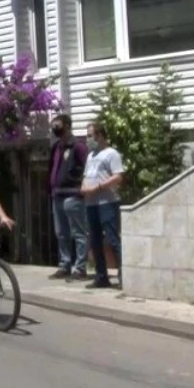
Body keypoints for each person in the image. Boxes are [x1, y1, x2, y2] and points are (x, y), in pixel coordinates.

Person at [80, 122, 125, 289]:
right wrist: (84, 186)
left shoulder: (111, 154)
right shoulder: (90, 156)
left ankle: (124, 275)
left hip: (107, 202)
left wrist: (98, 187)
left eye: (90, 136)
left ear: (100, 136)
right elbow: (86, 175)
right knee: (95, 240)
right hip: (91, 204)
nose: (88, 139)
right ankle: (101, 277)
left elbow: (118, 177)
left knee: (113, 239)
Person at [49, 114, 89, 280]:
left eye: (57, 124)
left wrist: (82, 188)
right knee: (61, 233)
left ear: (67, 125)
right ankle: (64, 265)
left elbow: (88, 167)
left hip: (73, 194)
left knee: (78, 233)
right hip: (57, 195)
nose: (54, 128)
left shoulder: (78, 146)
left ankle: (80, 268)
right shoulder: (56, 146)